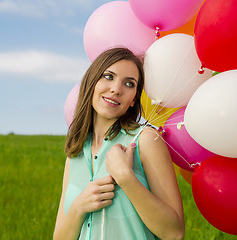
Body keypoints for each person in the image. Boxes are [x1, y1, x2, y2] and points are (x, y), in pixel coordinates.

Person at [53, 47, 185, 240]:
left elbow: (174, 233)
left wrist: (126, 178)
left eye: (129, 84)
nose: (116, 89)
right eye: (108, 76)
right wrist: (80, 206)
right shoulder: (76, 153)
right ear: (92, 82)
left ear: (133, 100)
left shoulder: (145, 140)